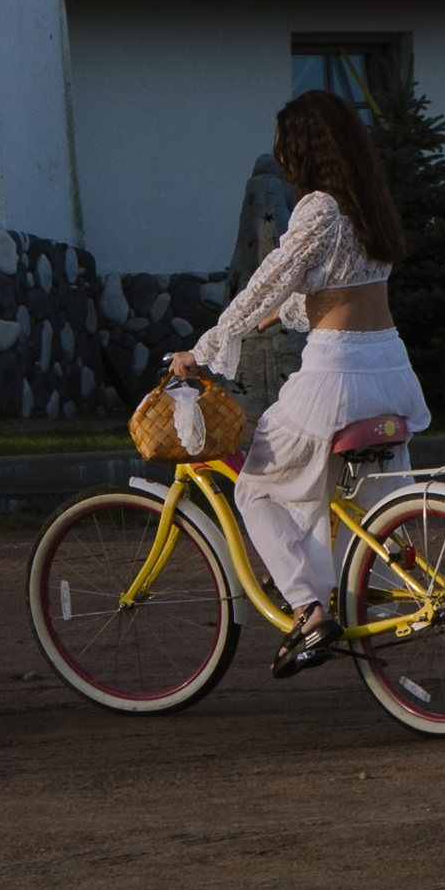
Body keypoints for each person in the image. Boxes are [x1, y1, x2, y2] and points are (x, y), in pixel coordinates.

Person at [165, 88, 427, 675]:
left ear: (304, 150)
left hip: (337, 378)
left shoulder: (319, 208)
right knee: (329, 494)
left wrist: (204, 349)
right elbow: (334, 292)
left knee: (256, 486)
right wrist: (279, 314)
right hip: (391, 371)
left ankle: (310, 610)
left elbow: (268, 279)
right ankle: (340, 590)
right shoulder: (368, 207)